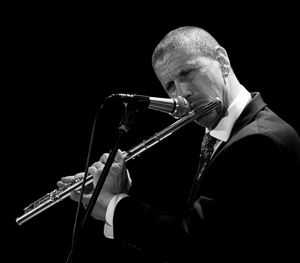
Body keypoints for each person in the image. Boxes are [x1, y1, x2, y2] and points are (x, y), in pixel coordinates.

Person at [58, 26, 300, 262]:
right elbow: (193, 219)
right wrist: (125, 191)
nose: (181, 93)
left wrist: (114, 205)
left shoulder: (258, 141)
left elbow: (194, 242)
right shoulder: (220, 137)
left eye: (187, 73)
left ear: (222, 61)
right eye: (170, 85)